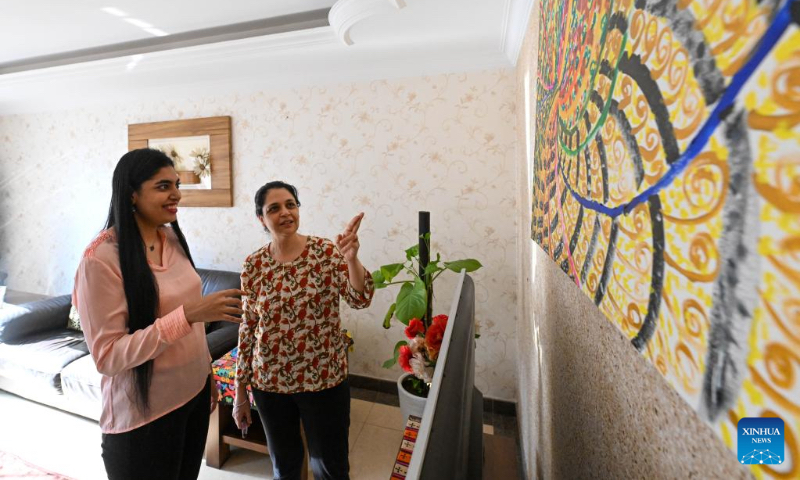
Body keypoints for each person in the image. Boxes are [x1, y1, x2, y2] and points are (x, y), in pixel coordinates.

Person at [72, 148, 244, 480]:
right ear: (132, 193)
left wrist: (204, 375)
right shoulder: (101, 259)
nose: (176, 194)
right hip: (144, 417)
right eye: (163, 186)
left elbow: (190, 333)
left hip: (192, 397)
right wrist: (188, 314)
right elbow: (108, 357)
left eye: (177, 184)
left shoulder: (171, 237)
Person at [233, 181, 374, 480]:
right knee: (284, 466)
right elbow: (248, 327)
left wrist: (351, 259)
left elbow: (360, 299)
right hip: (270, 384)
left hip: (324, 379)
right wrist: (240, 393)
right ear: (261, 217)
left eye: (291, 205)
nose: (285, 213)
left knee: (330, 466)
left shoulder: (324, 252)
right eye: (274, 208)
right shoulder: (253, 265)